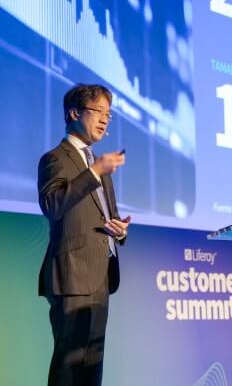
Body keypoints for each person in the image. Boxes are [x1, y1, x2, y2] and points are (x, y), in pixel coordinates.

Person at [37, 83, 131, 386]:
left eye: (108, 114)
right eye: (98, 111)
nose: (104, 119)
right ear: (74, 113)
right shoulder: (56, 158)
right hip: (73, 274)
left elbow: (109, 216)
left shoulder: (98, 163)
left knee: (92, 366)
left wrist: (120, 230)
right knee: (69, 366)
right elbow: (52, 205)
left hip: (101, 274)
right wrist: (94, 172)